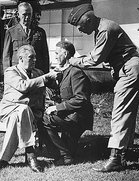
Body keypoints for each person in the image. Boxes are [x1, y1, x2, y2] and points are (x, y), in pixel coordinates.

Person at [68, 3, 139, 172]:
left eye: (79, 26)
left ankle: (115, 159)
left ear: (88, 19)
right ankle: (124, 154)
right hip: (130, 69)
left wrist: (74, 61)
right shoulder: (102, 28)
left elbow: (95, 59)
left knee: (119, 113)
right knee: (127, 114)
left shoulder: (105, 29)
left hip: (129, 71)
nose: (79, 31)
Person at [0, 44, 58, 172]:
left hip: (30, 113)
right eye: (31, 57)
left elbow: (53, 86)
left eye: (35, 57)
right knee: (22, 109)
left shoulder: (38, 73)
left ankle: (3, 160)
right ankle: (31, 154)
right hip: (9, 109)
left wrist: (58, 76)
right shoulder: (11, 72)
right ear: (21, 58)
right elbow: (23, 86)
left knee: (20, 114)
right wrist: (44, 78)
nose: (35, 60)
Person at [43, 41, 93, 165]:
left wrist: (57, 108)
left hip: (77, 117)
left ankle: (64, 156)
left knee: (44, 119)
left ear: (65, 54)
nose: (55, 56)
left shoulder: (75, 72)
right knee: (70, 147)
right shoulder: (62, 71)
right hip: (68, 114)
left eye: (56, 53)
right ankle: (63, 154)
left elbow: (81, 99)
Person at [2, 2, 50, 74]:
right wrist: (8, 74)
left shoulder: (40, 32)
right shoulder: (11, 32)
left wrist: (46, 74)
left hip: (36, 72)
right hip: (18, 73)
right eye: (24, 14)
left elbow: (45, 55)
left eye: (29, 14)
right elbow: (6, 56)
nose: (27, 17)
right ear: (18, 15)